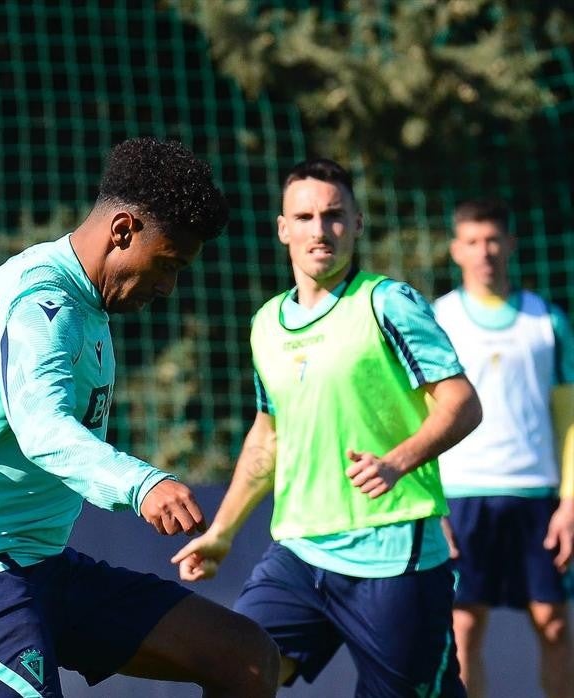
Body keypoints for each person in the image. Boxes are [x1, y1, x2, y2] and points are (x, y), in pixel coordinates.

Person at [0, 137, 281, 698]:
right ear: (122, 231)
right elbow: (42, 430)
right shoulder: (44, 305)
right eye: (167, 263)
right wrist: (143, 484)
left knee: (243, 658)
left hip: (39, 566)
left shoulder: (80, 299)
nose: (169, 286)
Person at [172, 158, 482, 696]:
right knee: (234, 664)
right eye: (306, 216)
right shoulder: (266, 324)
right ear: (283, 228)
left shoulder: (389, 304)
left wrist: (397, 461)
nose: (321, 230)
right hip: (300, 553)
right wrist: (221, 532)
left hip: (395, 558)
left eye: (335, 215)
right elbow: (268, 435)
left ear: (357, 223)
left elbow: (462, 403)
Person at [433, 197, 574, 698]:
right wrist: (434, 504)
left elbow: (569, 418)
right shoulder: (438, 319)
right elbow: (422, 417)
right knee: (464, 627)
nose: (484, 251)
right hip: (461, 496)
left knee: (554, 623)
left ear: (510, 244)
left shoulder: (547, 321)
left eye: (493, 239)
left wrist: (570, 502)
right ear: (456, 250)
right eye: (472, 241)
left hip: (536, 496)